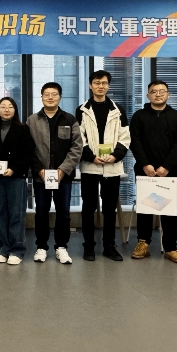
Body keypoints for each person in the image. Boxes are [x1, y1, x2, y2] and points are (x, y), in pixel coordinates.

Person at [129, 80, 177, 264]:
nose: (158, 94)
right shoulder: (139, 116)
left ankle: (170, 247)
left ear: (168, 94)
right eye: (154, 91)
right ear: (148, 95)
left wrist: (167, 166)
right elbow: (134, 142)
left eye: (162, 91)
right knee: (145, 208)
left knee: (168, 209)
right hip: (144, 171)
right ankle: (143, 243)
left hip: (168, 172)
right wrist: (145, 164)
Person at [75, 70, 130, 262]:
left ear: (108, 85)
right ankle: (89, 247)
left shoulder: (118, 110)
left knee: (109, 209)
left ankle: (109, 247)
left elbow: (125, 137)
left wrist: (115, 156)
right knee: (88, 208)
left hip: (112, 167)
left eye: (104, 83)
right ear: (90, 85)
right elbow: (79, 138)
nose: (101, 86)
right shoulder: (82, 110)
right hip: (90, 166)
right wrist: (91, 156)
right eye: (97, 83)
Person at [27, 82, 83, 264]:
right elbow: (28, 148)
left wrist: (63, 169)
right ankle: (41, 247)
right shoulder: (32, 120)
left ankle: (61, 247)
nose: (50, 97)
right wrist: (39, 170)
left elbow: (77, 147)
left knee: (63, 213)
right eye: (46, 94)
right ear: (41, 97)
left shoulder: (70, 119)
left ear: (60, 97)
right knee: (41, 212)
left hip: (63, 177)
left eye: (54, 94)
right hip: (41, 177)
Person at [0, 97, 33, 265]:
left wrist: (13, 168)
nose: (6, 109)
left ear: (15, 110)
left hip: (16, 177)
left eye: (10, 106)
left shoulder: (23, 129)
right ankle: (2, 249)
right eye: (3, 107)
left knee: (16, 214)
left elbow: (27, 154)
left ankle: (16, 250)